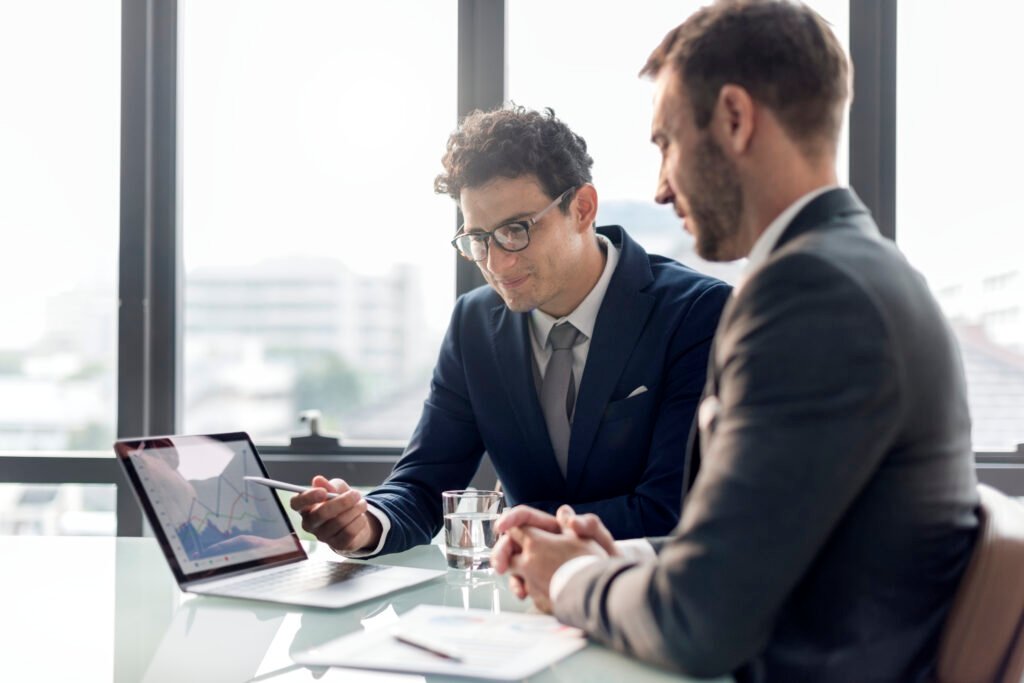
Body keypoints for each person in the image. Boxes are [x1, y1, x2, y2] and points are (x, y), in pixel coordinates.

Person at [491, 2, 980, 681]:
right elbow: (767, 545)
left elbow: (701, 621)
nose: (660, 188)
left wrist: (570, 577)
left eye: (665, 142)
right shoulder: (856, 269)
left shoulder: (812, 295)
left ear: (734, 118)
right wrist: (625, 557)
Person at [290, 106, 731, 557]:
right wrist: (365, 523)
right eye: (478, 239)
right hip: (518, 604)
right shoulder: (473, 324)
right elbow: (423, 482)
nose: (497, 264)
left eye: (516, 230)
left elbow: (672, 510)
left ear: (581, 208)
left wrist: (517, 534)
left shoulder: (697, 314)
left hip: (647, 598)